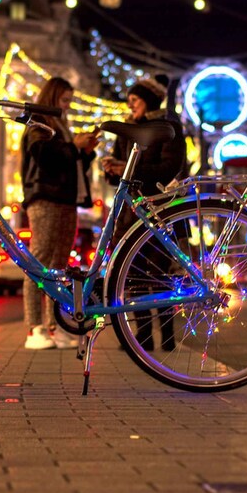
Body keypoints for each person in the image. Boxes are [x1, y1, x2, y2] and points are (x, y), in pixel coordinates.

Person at [102, 76, 187, 352]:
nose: (131, 105)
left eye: (135, 100)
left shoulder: (169, 127)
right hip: (130, 213)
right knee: (133, 276)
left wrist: (129, 171)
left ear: (148, 100)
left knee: (160, 274)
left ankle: (167, 336)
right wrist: (112, 170)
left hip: (160, 209)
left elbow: (169, 168)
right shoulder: (129, 129)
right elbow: (118, 177)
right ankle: (143, 337)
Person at [21, 77, 100, 350]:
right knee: (39, 261)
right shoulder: (39, 122)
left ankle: (54, 326)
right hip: (45, 197)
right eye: (64, 99)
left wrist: (85, 152)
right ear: (52, 97)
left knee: (58, 265)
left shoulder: (62, 126)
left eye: (69, 100)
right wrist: (74, 147)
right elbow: (42, 154)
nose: (67, 106)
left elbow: (66, 161)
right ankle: (35, 329)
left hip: (66, 198)